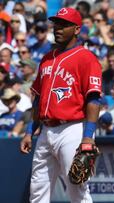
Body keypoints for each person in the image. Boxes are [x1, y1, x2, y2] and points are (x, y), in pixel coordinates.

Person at [19, 8, 102, 202]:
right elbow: (39, 99)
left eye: (64, 25)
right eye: (56, 24)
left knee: (77, 189)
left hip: (73, 129)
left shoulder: (86, 58)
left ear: (76, 29)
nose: (57, 28)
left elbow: (94, 99)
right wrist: (30, 131)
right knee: (37, 190)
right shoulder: (47, 58)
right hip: (46, 130)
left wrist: (88, 138)